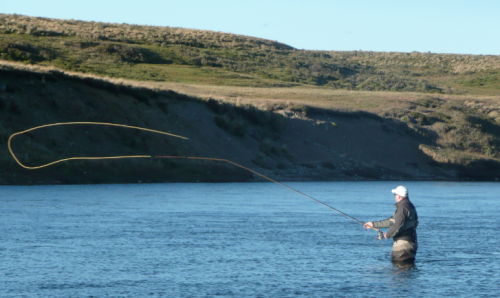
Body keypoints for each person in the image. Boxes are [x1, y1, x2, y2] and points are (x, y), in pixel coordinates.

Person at [364, 186, 419, 263]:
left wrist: (388, 234)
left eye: (395, 195)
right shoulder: (409, 206)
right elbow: (391, 222)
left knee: (399, 270)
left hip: (403, 245)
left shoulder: (403, 208)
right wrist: (373, 224)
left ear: (399, 196)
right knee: (407, 270)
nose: (395, 196)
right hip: (410, 242)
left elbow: (397, 224)